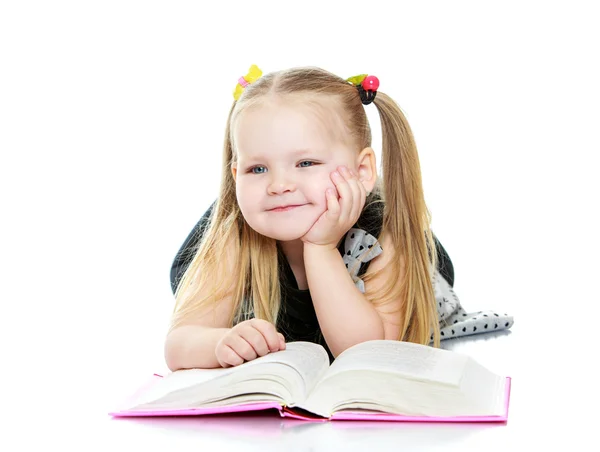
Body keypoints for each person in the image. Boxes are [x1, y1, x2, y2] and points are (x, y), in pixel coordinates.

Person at [164, 65, 513, 371]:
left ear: (362, 171)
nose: (279, 185)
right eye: (258, 168)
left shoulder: (383, 231)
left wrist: (320, 247)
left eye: (306, 163)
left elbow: (365, 352)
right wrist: (219, 343)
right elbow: (180, 342)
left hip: (402, 299)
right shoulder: (234, 233)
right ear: (236, 173)